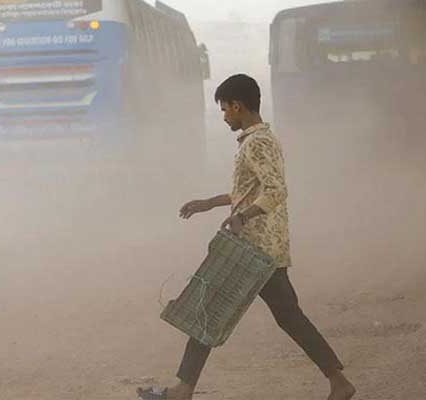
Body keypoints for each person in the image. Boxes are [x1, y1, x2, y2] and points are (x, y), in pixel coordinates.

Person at [137, 74, 356, 400]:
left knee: (207, 308)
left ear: (238, 106)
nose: (225, 116)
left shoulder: (258, 143)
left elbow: (275, 190)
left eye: (225, 110)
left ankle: (183, 391)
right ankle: (338, 381)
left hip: (253, 249)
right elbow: (251, 190)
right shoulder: (259, 139)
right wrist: (210, 203)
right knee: (284, 315)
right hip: (262, 249)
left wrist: (241, 216)